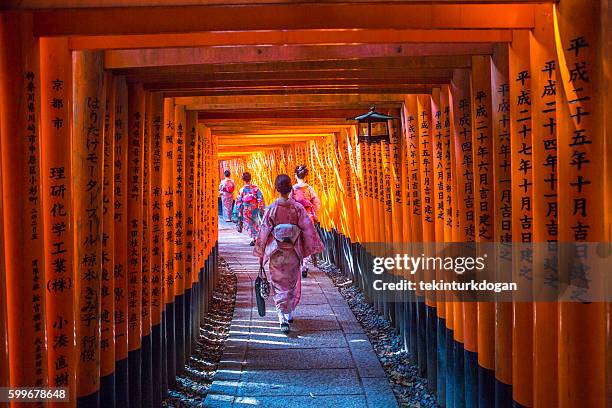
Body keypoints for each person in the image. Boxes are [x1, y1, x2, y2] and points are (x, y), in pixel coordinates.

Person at [254, 174, 324, 334]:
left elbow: (264, 232)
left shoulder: (271, 209)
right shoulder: (297, 208)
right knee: (292, 282)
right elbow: (307, 229)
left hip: (276, 252)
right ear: (290, 188)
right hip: (293, 251)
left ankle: (282, 316)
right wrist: (309, 248)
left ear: (276, 189)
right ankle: (289, 313)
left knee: (278, 283)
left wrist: (261, 253)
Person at [290, 165, 321, 278]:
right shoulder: (309, 189)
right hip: (308, 217)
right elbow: (317, 203)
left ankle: (299, 263)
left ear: (295, 175)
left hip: (297, 218)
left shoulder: (293, 189)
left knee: (297, 240)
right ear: (306, 176)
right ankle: (305, 265)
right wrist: (314, 212)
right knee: (307, 240)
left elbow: (289, 204)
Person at [235, 171, 264, 246]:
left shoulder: (242, 190)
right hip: (254, 208)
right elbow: (260, 198)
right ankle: (256, 236)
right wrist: (261, 207)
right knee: (255, 222)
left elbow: (239, 201)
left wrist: (238, 211)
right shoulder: (255, 188)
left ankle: (254, 238)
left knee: (249, 224)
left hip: (246, 209)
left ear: (243, 180)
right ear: (250, 178)